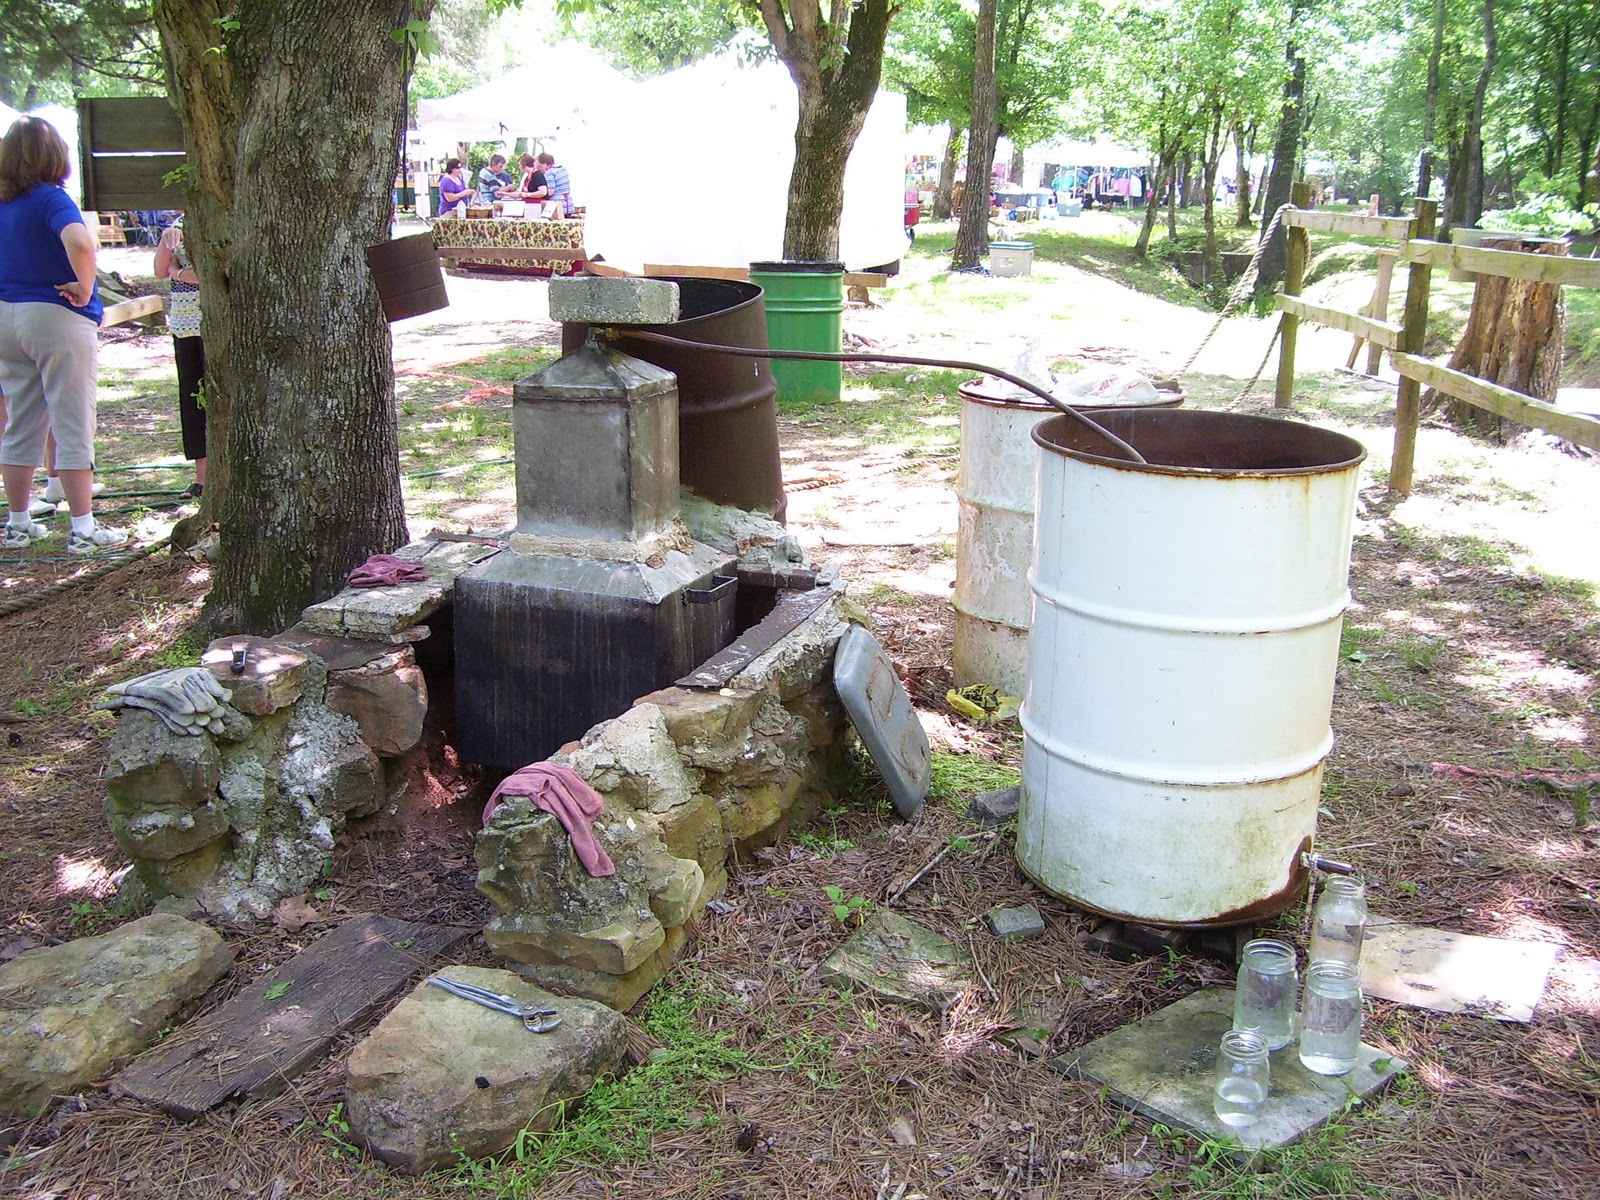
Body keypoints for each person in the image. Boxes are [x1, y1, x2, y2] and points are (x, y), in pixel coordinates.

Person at [0, 116, 127, 554]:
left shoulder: (4, 202)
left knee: (21, 419)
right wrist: (87, 286)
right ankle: (84, 528)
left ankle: (17, 523)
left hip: (6, 315)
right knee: (72, 418)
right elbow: (81, 242)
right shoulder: (51, 199)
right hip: (54, 314)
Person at [153, 217, 205, 500]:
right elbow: (160, 270)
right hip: (185, 327)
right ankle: (202, 478)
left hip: (213, 322)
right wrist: (166, 240)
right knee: (194, 398)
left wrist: (179, 272)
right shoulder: (180, 222)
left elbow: (208, 275)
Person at [536, 151, 573, 217]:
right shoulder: (562, 169)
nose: (540, 169)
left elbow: (551, 191)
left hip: (557, 205)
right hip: (568, 204)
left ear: (545, 164)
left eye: (540, 166)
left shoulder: (549, 173)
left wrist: (540, 193)